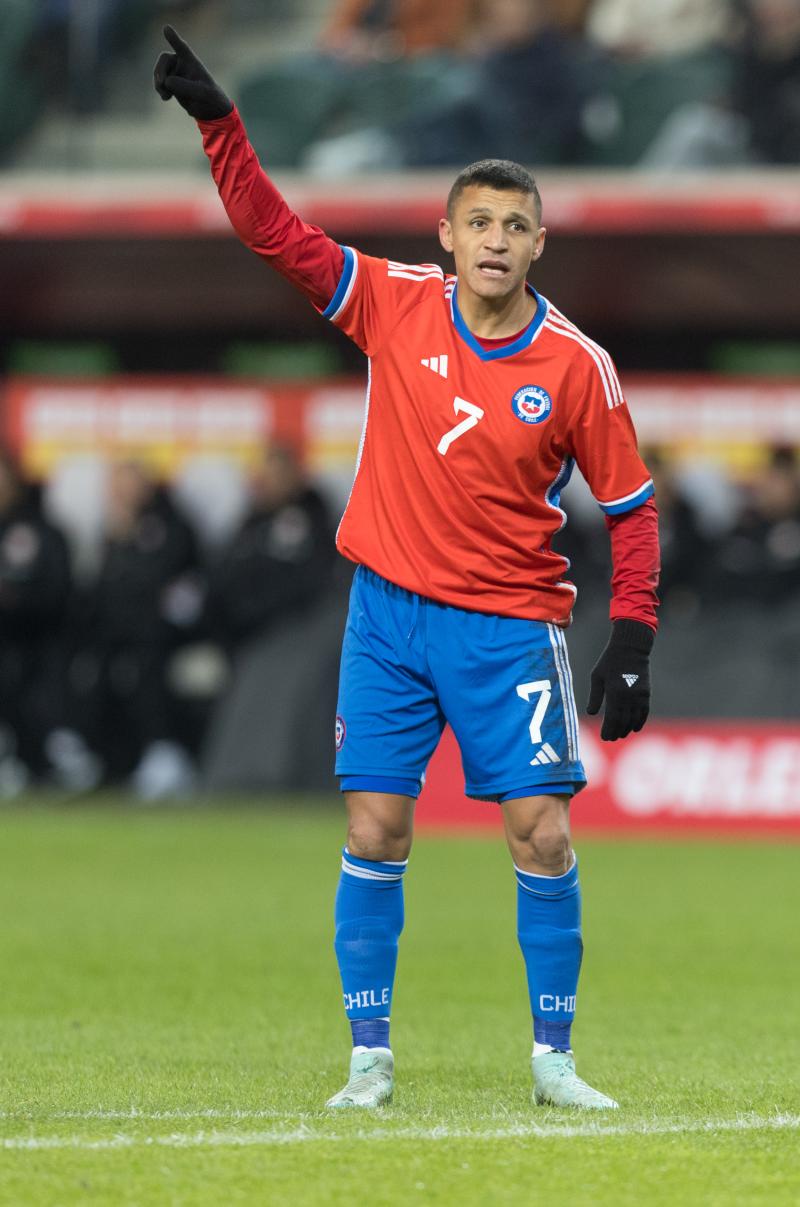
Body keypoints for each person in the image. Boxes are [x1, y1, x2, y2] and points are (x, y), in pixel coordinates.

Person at [154, 25, 660, 1111]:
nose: (494, 239)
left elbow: (628, 510)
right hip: (385, 615)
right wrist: (219, 128)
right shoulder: (393, 302)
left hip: (506, 628)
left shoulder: (576, 366)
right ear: (445, 235)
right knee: (375, 827)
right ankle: (368, 1059)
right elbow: (277, 237)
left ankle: (553, 1061)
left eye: (515, 226)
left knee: (541, 832)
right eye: (476, 221)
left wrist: (632, 637)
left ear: (537, 248)